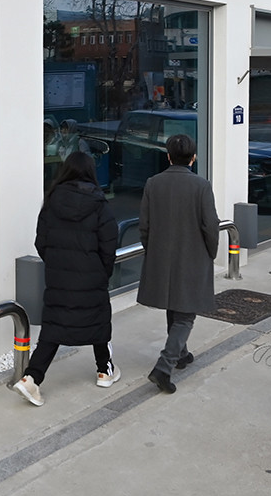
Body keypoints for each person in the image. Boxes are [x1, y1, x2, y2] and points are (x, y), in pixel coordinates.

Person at [13, 152, 120, 406]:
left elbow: (41, 241)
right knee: (97, 320)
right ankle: (104, 371)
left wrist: (58, 265)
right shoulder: (99, 202)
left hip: (59, 277)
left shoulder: (51, 201)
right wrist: (101, 271)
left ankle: (31, 378)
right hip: (91, 275)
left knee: (54, 328)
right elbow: (109, 243)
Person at [136, 133, 220, 394]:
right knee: (185, 314)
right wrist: (211, 252)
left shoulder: (153, 183)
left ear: (168, 156)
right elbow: (211, 226)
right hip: (192, 255)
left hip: (162, 255)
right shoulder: (201, 186)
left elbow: (144, 225)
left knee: (174, 305)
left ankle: (181, 353)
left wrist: (152, 250)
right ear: (193, 158)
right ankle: (165, 365)